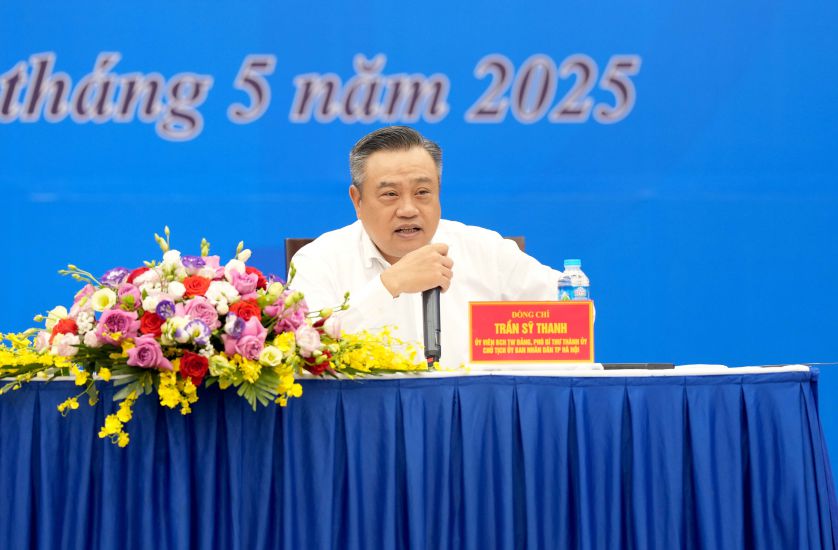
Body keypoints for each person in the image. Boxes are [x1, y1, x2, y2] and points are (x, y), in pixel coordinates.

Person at [289, 126, 560, 367]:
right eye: (390, 194)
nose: (408, 209)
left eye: (422, 192)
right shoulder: (319, 260)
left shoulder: (486, 250)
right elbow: (307, 350)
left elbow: (575, 310)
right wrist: (388, 286)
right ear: (357, 200)